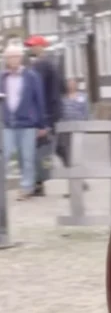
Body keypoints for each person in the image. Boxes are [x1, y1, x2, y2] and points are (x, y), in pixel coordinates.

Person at [1, 43, 49, 201]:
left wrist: (41, 124)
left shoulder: (31, 76)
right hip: (9, 123)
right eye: (9, 57)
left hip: (28, 123)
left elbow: (39, 100)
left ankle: (27, 187)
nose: (12, 60)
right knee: (6, 154)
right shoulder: (2, 77)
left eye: (15, 56)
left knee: (27, 156)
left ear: (20, 58)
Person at [24, 35, 64, 196]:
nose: (31, 49)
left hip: (45, 113)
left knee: (38, 148)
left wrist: (43, 118)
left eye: (33, 46)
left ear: (41, 47)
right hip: (53, 110)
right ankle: (79, 180)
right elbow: (60, 86)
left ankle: (38, 185)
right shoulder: (51, 64)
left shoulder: (40, 65)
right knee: (58, 147)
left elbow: (36, 91)